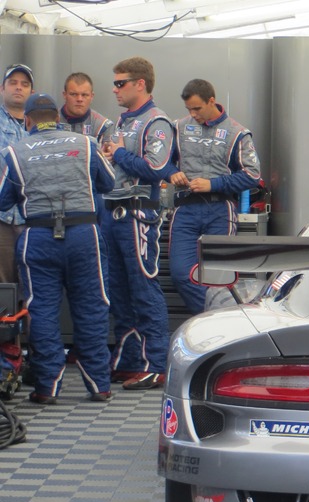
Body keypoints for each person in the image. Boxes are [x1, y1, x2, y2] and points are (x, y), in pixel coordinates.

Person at [0, 93, 116, 404]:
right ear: (57, 118)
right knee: (92, 307)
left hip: (37, 237)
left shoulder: (14, 151)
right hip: (84, 235)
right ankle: (99, 384)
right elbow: (109, 182)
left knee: (41, 311)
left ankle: (47, 387)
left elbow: (2, 201)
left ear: (27, 120)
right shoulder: (87, 144)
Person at [101, 57, 177, 391]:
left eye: (120, 83)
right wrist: (110, 155)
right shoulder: (121, 121)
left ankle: (155, 364)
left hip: (138, 214)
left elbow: (157, 169)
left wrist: (118, 154)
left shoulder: (157, 122)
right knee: (119, 291)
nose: (115, 89)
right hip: (112, 212)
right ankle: (129, 359)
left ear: (140, 84)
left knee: (144, 288)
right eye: (115, 83)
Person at [169, 78, 261, 313]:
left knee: (217, 279)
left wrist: (213, 184)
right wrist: (171, 173)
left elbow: (252, 176)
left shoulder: (238, 132)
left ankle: (218, 323)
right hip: (185, 210)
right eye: (189, 109)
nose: (193, 114)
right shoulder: (178, 127)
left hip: (220, 211)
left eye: (197, 108)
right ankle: (216, 318)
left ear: (212, 101)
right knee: (180, 273)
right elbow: (159, 162)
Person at [0, 63, 33, 284]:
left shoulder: (42, 125)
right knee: (3, 286)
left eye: (24, 84)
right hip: (1, 220)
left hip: (32, 220)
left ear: (31, 91)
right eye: (13, 83)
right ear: (2, 89)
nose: (18, 87)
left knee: (32, 284)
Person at [59, 72, 115, 145]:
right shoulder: (50, 120)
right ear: (64, 95)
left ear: (92, 96)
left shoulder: (103, 125)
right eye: (74, 94)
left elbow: (108, 151)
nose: (79, 99)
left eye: (84, 95)